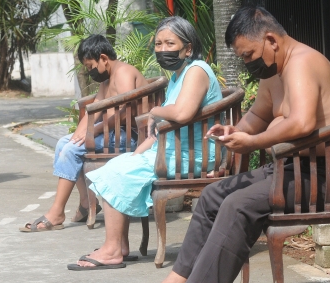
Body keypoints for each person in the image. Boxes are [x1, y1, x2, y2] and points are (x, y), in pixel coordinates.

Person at [162, 6, 330, 283]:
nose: (248, 62)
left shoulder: (302, 62)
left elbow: (301, 123)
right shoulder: (273, 71)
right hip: (289, 168)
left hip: (322, 174)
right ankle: (177, 279)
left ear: (272, 41)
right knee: (212, 196)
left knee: (237, 204)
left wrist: (252, 142)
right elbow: (258, 115)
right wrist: (234, 132)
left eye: (249, 55)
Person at [67, 16, 223, 270]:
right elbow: (156, 134)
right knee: (117, 165)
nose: (162, 49)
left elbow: (182, 114)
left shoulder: (197, 71)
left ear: (188, 48)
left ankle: (113, 250)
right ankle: (120, 245)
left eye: (170, 43)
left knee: (116, 173)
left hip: (194, 155)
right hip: (171, 151)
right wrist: (135, 154)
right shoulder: (177, 76)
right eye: (159, 43)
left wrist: (156, 112)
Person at [20, 34, 147, 232]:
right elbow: (94, 110)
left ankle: (57, 212)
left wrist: (92, 131)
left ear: (104, 59)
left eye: (90, 66)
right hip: (114, 133)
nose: (90, 72)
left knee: (72, 150)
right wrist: (78, 134)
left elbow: (125, 111)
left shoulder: (123, 73)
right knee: (65, 144)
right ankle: (86, 202)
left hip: (134, 137)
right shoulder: (107, 80)